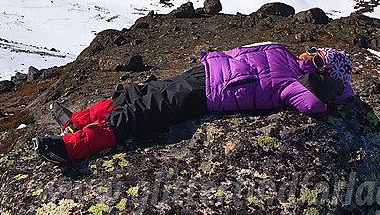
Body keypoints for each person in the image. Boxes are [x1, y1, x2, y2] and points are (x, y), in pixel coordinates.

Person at [33, 44, 354, 165]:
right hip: (205, 71)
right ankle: (77, 120)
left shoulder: (299, 85)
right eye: (313, 49)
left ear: (324, 71)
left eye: (316, 56)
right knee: (134, 94)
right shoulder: (285, 54)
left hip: (210, 94)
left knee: (141, 113)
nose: (307, 53)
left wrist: (329, 89)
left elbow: (314, 105)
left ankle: (72, 148)